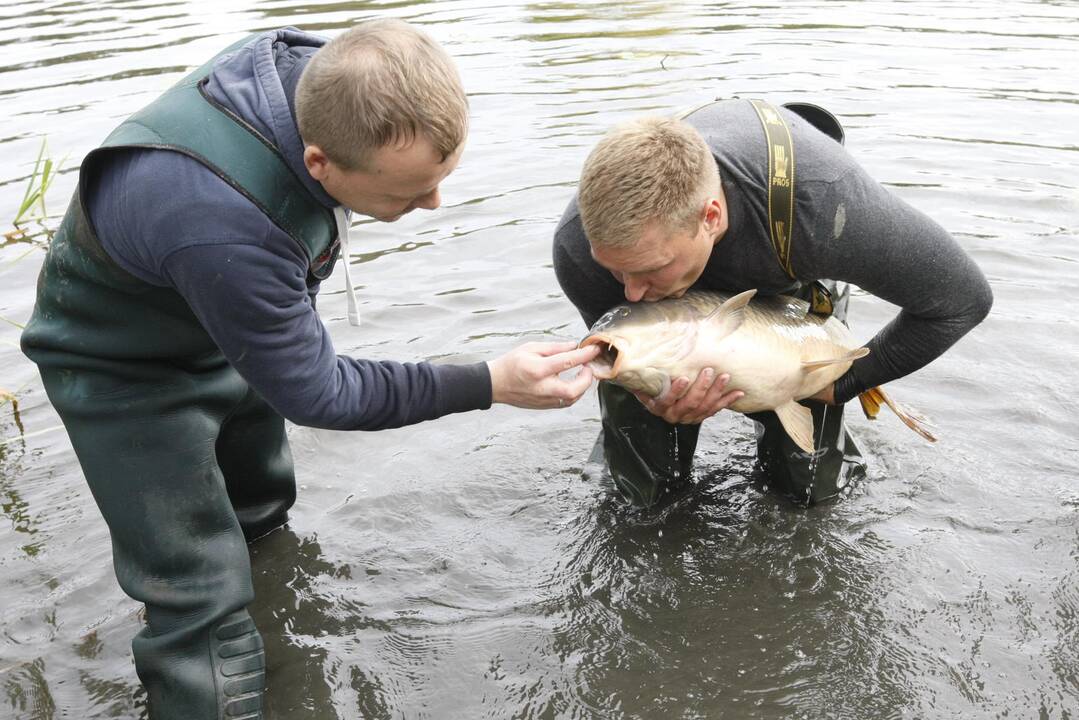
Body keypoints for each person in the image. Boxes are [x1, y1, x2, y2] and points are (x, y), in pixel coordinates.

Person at [20, 21, 598, 720]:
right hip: (120, 369)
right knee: (198, 593)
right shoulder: (220, 219)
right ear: (319, 163)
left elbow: (283, 338)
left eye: (440, 180)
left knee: (260, 513)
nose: (434, 204)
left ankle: (284, 637)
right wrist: (487, 382)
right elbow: (318, 393)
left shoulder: (331, 83)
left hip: (216, 315)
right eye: (412, 193)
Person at [552, 99, 993, 507]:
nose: (629, 291)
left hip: (785, 275)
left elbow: (962, 301)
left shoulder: (822, 203)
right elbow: (627, 333)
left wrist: (843, 383)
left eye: (649, 269)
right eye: (616, 271)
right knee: (638, 494)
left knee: (809, 487)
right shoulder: (578, 250)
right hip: (667, 325)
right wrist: (650, 396)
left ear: (711, 217)